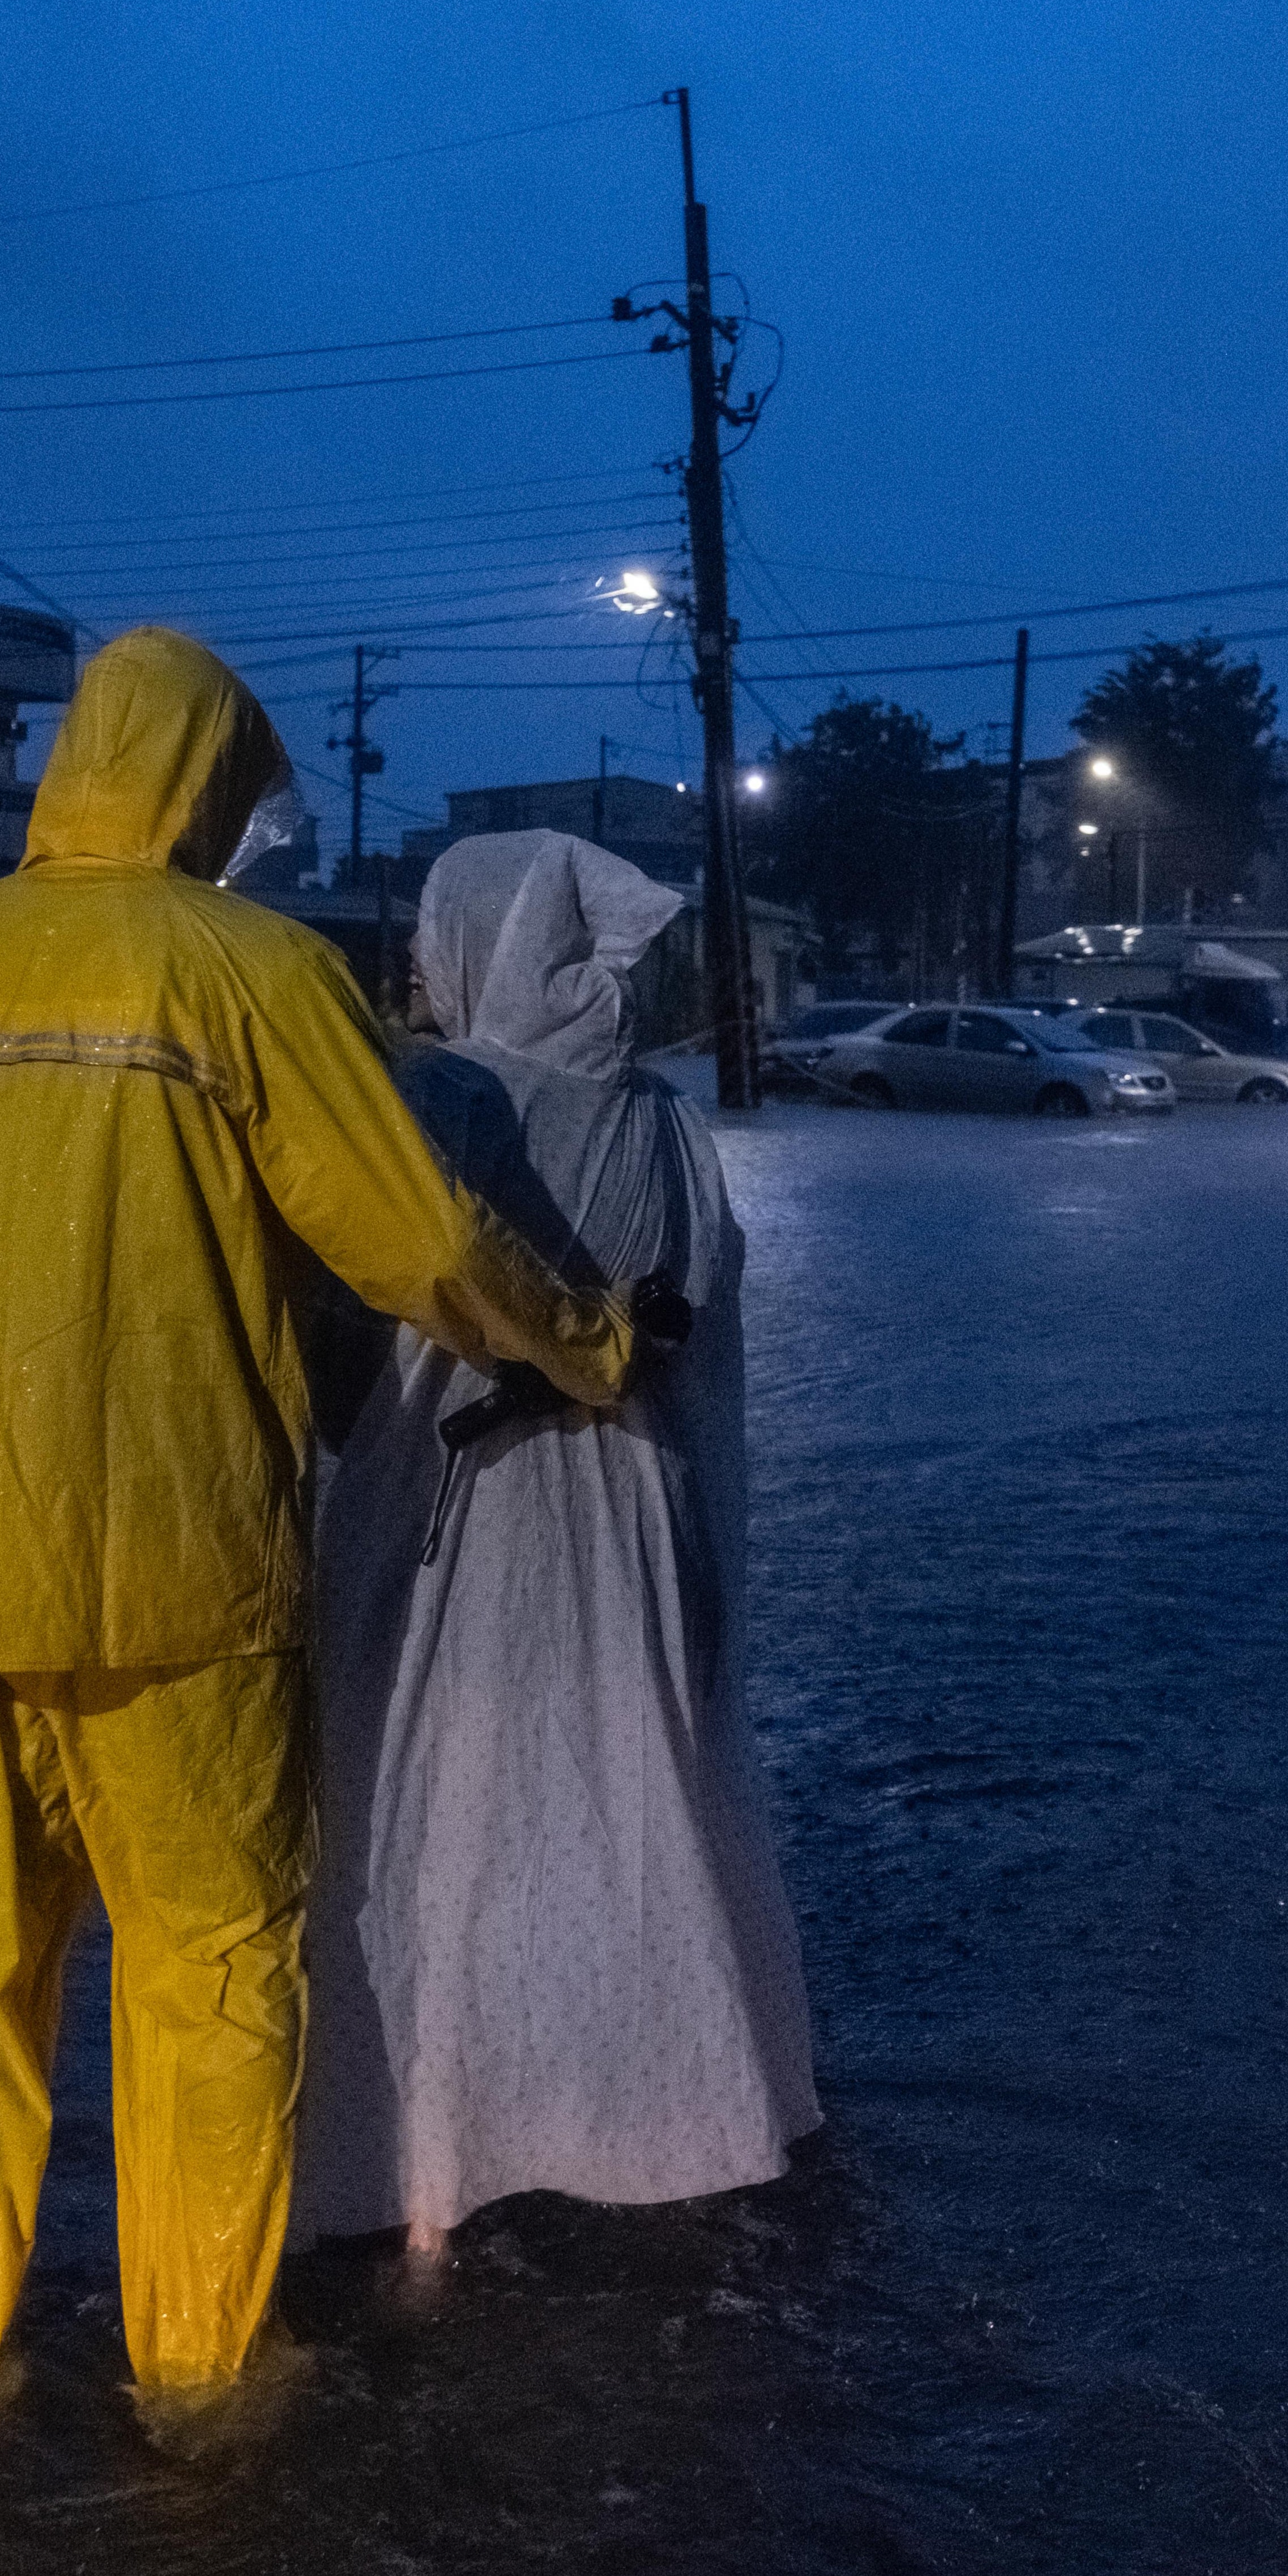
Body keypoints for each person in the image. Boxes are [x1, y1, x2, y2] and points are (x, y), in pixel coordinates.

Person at [0, 629, 637, 2425]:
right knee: (213, 1978)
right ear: (211, 791)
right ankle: (203, 2381)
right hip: (191, 1582)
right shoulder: (254, 971)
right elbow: (422, 1242)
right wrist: (592, 1342)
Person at [299, 830, 817, 2260]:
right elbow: (697, 1309)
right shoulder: (662, 1121)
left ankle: (428, 2133)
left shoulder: (432, 1100)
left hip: (446, 1505)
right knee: (624, 1791)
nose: (416, 959)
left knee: (431, 1803)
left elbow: (351, 1317)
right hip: (633, 1504)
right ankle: (649, 2110)